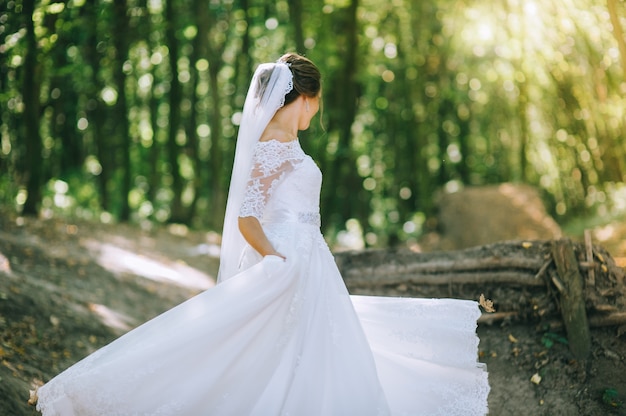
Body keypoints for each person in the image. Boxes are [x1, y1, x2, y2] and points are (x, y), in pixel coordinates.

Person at [34, 53, 490, 415]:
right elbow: (247, 218)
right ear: (304, 96)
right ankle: (84, 393)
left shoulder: (287, 143)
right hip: (288, 261)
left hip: (311, 262)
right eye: (318, 102)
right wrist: (275, 258)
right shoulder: (272, 145)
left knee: (300, 352)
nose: (319, 110)